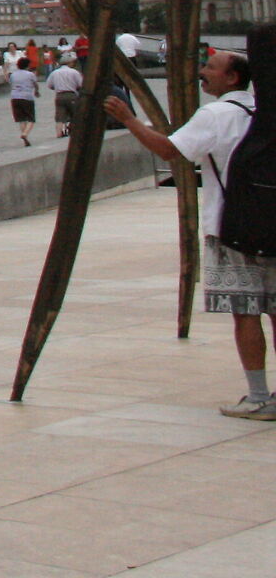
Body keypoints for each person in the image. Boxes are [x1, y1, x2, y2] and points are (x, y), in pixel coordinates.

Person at [104, 31, 274, 420]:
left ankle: (260, 395)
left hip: (230, 228)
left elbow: (170, 150)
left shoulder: (215, 115)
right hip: (271, 222)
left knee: (246, 312)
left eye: (210, 67)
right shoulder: (263, 109)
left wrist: (129, 120)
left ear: (232, 78)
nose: (203, 72)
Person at [7, 55, 41, 146]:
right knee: (31, 118)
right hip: (27, 97)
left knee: (21, 119)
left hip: (15, 97)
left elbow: (11, 83)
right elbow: (35, 84)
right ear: (27, 65)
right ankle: (25, 133)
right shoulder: (30, 74)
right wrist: (37, 91)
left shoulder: (13, 74)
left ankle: (24, 136)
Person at [48, 57, 84, 139]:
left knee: (59, 116)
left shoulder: (54, 73)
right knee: (75, 114)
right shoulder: (74, 72)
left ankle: (59, 133)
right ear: (69, 63)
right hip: (71, 95)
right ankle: (75, 131)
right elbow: (81, 84)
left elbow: (49, 85)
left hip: (59, 96)